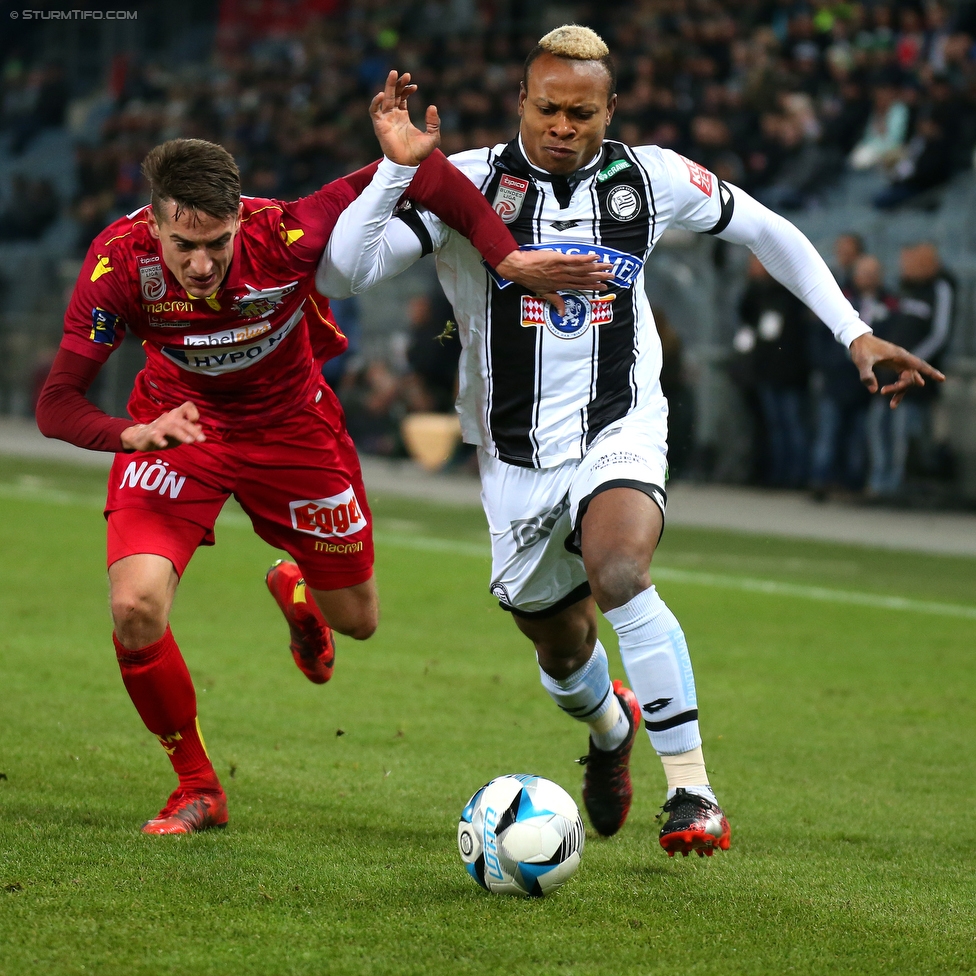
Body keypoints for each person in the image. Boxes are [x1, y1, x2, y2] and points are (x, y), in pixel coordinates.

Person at [319, 26, 944, 857]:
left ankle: (692, 793)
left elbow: (768, 230)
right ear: (522, 103)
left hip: (621, 423)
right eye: (548, 108)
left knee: (620, 570)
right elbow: (342, 272)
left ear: (610, 110)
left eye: (583, 112)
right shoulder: (466, 183)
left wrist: (855, 333)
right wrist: (399, 169)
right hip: (513, 455)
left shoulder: (648, 178)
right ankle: (609, 727)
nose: (564, 126)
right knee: (562, 645)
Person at [35, 73, 607, 836]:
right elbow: (57, 403)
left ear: (241, 218)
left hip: (294, 434)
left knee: (360, 620)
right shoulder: (118, 266)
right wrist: (128, 434)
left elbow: (429, 176)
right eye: (184, 246)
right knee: (135, 607)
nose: (201, 265)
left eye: (216, 244)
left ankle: (300, 592)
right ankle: (197, 786)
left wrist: (507, 259)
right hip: (177, 432)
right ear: (156, 227)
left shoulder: (286, 233)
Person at [867, 243, 955, 497]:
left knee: (902, 434)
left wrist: (913, 362)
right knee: (878, 427)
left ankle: (896, 485)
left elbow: (940, 334)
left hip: (916, 380)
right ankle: (878, 482)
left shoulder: (940, 288)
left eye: (911, 262)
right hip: (889, 374)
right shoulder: (904, 290)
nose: (905, 267)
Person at [809, 254, 894, 498]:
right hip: (837, 378)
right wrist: (828, 364)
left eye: (873, 273)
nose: (869, 278)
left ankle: (852, 482)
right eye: (865, 272)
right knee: (828, 433)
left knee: (859, 436)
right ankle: (820, 480)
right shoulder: (838, 298)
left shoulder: (889, 304)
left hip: (869, 381)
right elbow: (819, 335)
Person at [738, 254, 811, 488]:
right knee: (776, 427)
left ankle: (798, 474)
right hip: (767, 373)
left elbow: (794, 339)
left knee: (792, 426)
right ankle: (779, 474)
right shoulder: (761, 294)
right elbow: (744, 313)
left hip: (789, 374)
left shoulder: (790, 295)